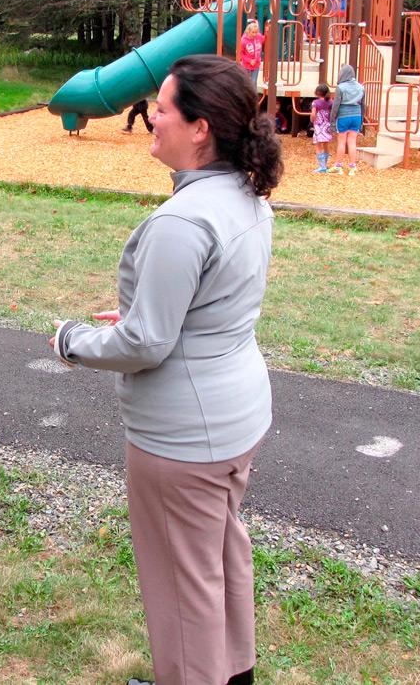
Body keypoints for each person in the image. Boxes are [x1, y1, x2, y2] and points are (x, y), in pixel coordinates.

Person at [50, 54, 282, 685]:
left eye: (163, 106)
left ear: (200, 127)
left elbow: (147, 344)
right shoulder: (245, 196)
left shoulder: (183, 219)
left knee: (183, 586)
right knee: (220, 558)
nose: (151, 115)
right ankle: (232, 674)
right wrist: (145, 313)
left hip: (184, 438)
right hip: (233, 420)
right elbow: (208, 303)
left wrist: (73, 340)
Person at [329, 63, 365, 175]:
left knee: (341, 142)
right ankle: (352, 167)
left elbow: (336, 105)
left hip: (343, 115)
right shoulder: (361, 87)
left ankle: (338, 165)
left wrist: (332, 120)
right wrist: (362, 119)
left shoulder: (341, 88)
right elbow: (363, 104)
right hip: (357, 115)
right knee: (352, 142)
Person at [310, 83, 333, 172]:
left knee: (318, 145)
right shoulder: (331, 101)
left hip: (318, 126)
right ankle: (325, 164)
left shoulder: (315, 102)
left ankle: (322, 166)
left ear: (318, 92)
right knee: (326, 144)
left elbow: (313, 114)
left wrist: (312, 120)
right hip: (327, 125)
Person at [238, 19, 265, 89]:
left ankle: (253, 97)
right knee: (246, 81)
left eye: (256, 32)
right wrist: (249, 60)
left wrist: (268, 31)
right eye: (253, 32)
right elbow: (240, 53)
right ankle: (245, 95)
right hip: (246, 65)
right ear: (248, 31)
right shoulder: (243, 41)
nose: (255, 34)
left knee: (254, 81)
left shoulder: (258, 37)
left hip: (256, 64)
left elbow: (264, 39)